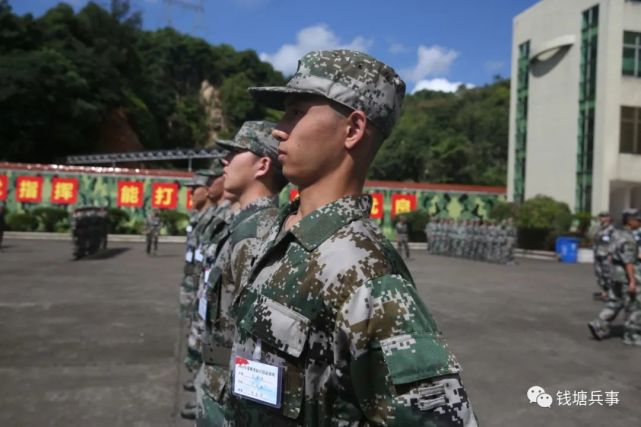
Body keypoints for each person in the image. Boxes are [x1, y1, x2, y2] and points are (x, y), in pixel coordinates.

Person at [224, 49, 477, 426]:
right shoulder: (273, 234)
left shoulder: (366, 273)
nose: (279, 128)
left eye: (297, 112)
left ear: (354, 129)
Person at [194, 120, 287, 426]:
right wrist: (209, 373)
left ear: (262, 165)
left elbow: (256, 346)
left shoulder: (259, 234)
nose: (225, 161)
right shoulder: (242, 226)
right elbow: (226, 324)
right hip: (218, 384)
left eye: (236, 153)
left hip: (232, 401)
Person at [588, 208, 641, 346]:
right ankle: (631, 335)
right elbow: (628, 262)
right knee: (634, 306)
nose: (640, 222)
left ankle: (598, 324)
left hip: (614, 274)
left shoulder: (617, 233)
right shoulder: (628, 238)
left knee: (615, 302)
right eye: (638, 220)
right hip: (625, 276)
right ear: (630, 221)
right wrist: (632, 281)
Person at [592, 212, 615, 301]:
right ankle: (604, 292)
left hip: (606, 255)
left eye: (604, 216)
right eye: (601, 216)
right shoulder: (599, 228)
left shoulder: (612, 230)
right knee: (599, 274)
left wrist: (611, 254)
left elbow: (614, 243)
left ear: (609, 218)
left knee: (607, 274)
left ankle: (610, 293)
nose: (602, 218)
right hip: (598, 254)